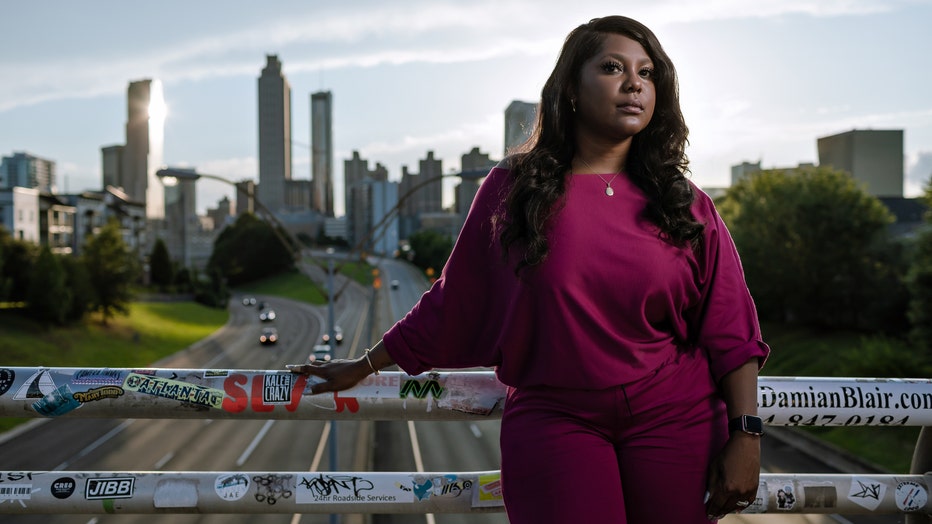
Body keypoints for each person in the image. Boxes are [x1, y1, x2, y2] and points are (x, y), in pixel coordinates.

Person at [291, 15, 769, 523]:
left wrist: (747, 436)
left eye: (647, 73)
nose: (634, 83)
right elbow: (456, 302)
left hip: (674, 417)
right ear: (571, 90)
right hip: (557, 419)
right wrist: (364, 365)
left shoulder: (686, 205)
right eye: (612, 67)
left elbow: (730, 328)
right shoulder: (511, 192)